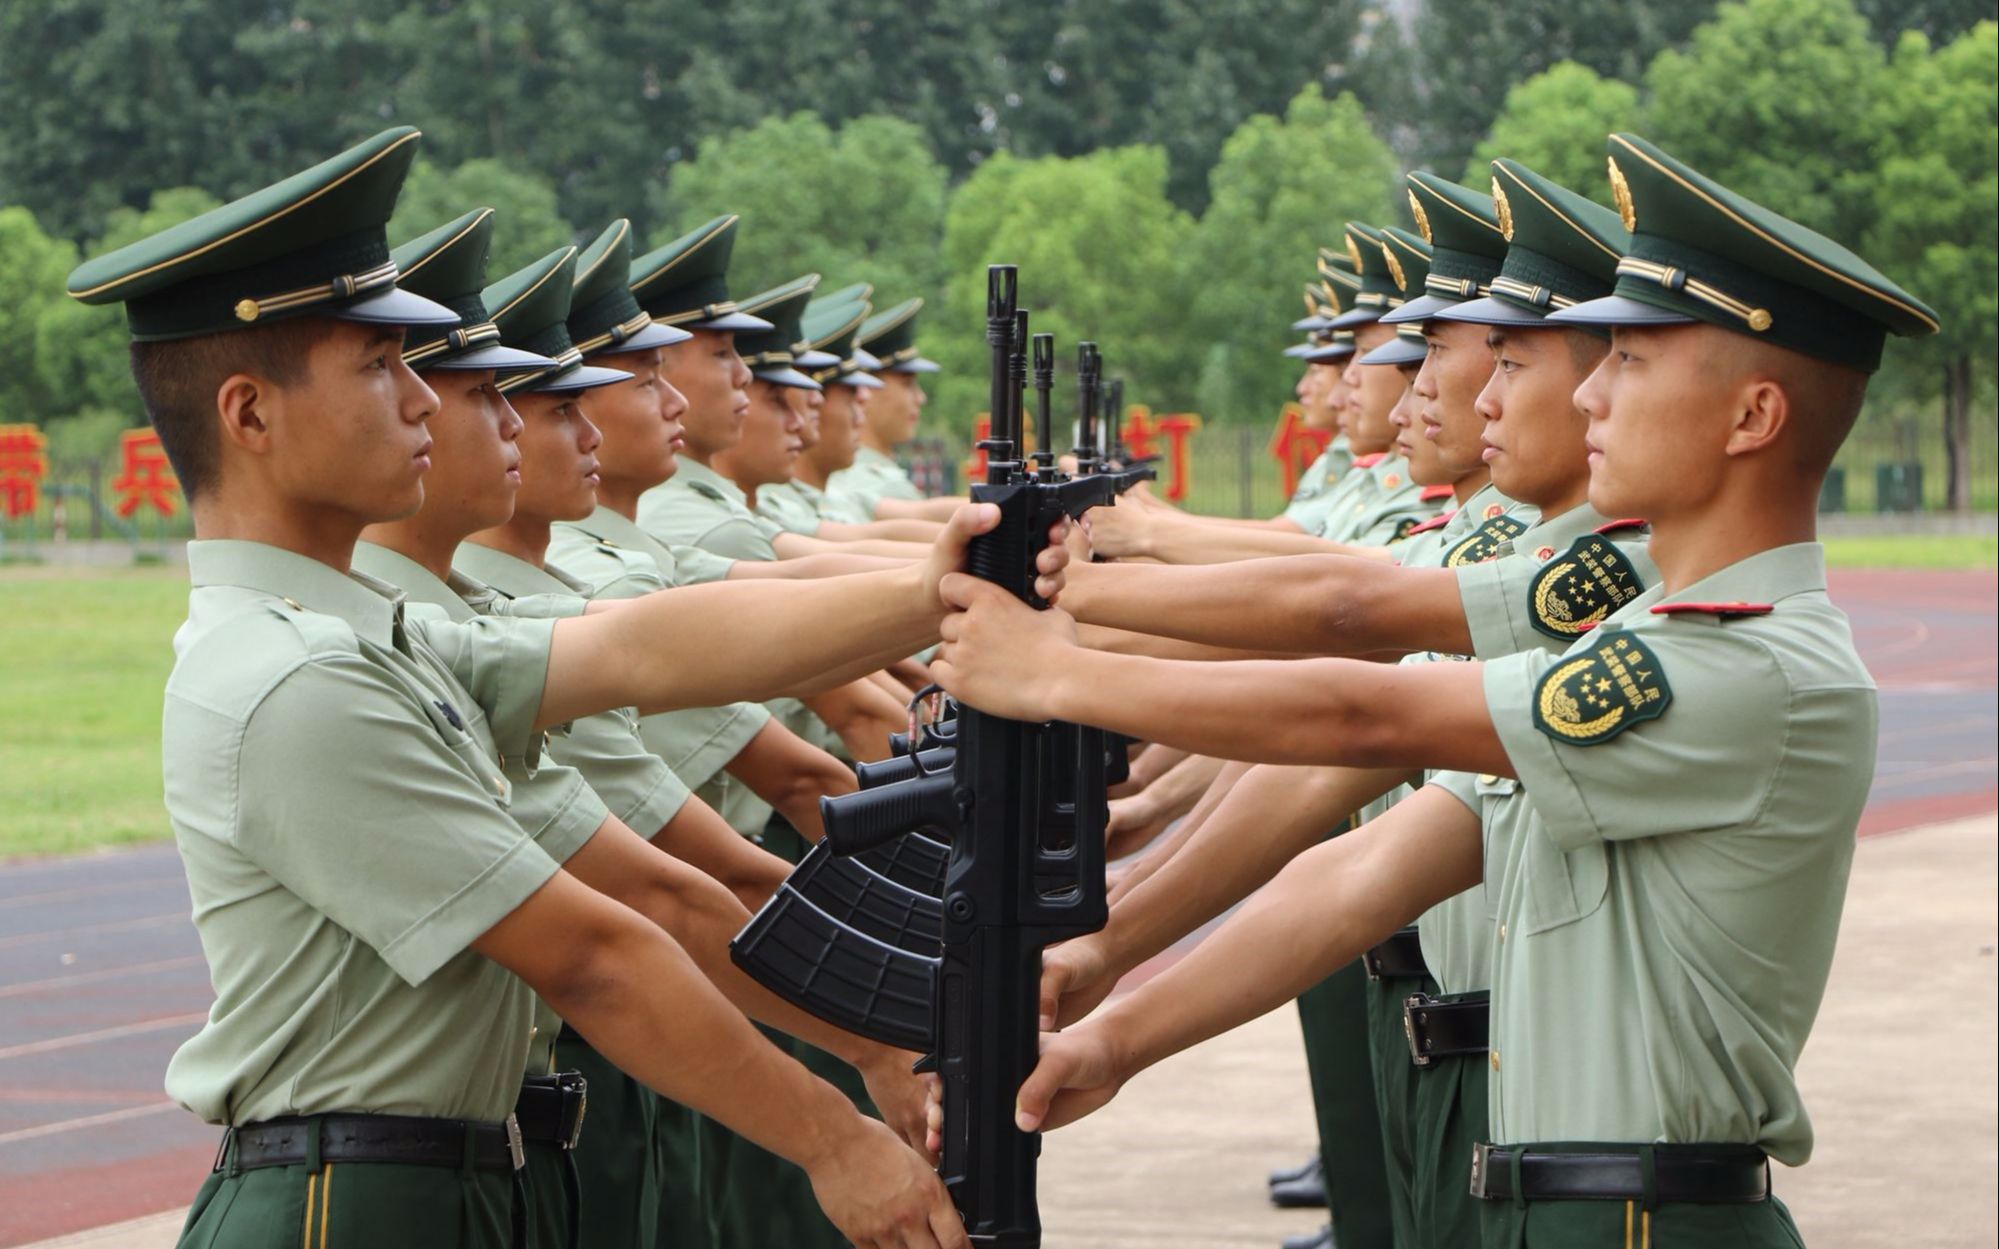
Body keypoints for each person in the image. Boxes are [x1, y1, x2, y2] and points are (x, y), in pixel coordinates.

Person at [67, 126, 1068, 1249]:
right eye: (381, 366)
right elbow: (599, 949)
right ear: (249, 415)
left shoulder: (380, 638)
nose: (420, 403)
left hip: (444, 1178)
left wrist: (939, 589)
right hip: (350, 1203)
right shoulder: (294, 677)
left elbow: (642, 646)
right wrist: (836, 1138)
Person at [933, 132, 1936, 1248]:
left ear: (1752, 417)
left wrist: (1064, 670)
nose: (1589, 394)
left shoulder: (1751, 665)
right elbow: (1363, 867)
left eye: (1631, 361)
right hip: (1544, 1194)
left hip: (1636, 1219)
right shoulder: (1634, 645)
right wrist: (1116, 1029)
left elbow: (1368, 704)